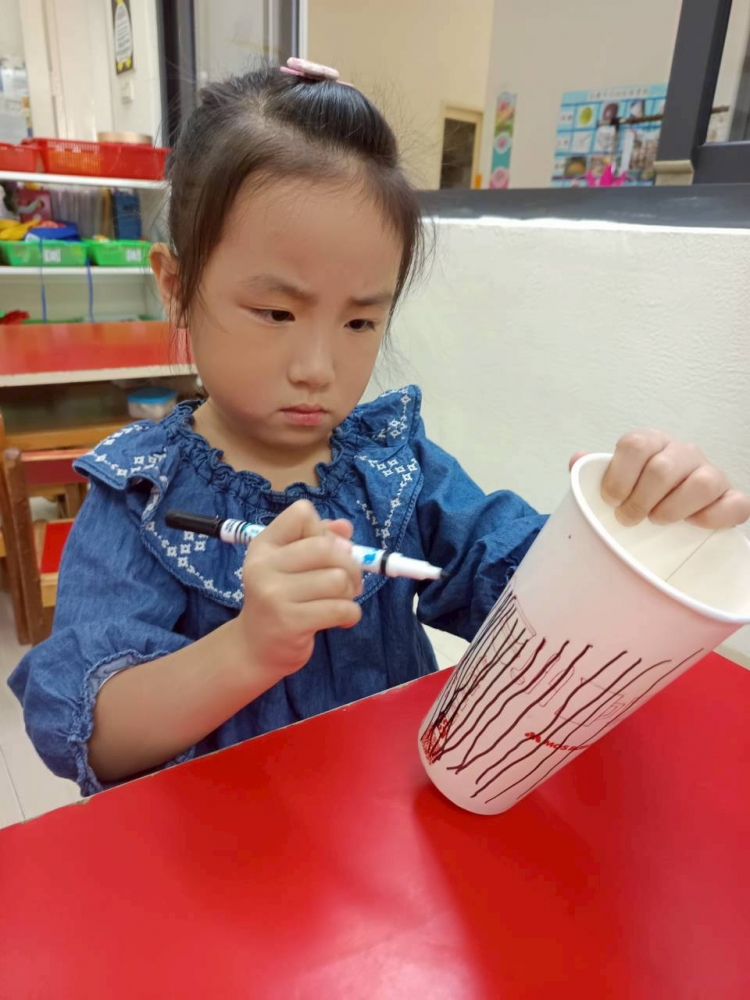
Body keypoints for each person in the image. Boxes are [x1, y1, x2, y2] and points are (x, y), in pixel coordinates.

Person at [10, 60, 750, 797]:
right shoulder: (141, 494)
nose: (317, 368)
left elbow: (524, 591)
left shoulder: (393, 466)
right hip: (221, 847)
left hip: (386, 828)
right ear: (176, 287)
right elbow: (94, 737)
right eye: (276, 312)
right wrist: (248, 649)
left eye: (361, 321)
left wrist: (631, 528)